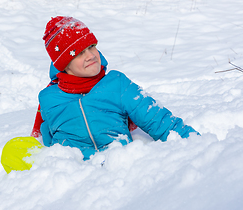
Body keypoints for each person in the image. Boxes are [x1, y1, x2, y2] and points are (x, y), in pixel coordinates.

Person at [31, 16, 199, 161]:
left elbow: (157, 120)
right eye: (79, 53)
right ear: (64, 64)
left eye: (91, 47)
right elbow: (44, 137)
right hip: (74, 178)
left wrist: (194, 143)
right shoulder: (49, 98)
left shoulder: (117, 84)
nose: (90, 55)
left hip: (119, 170)